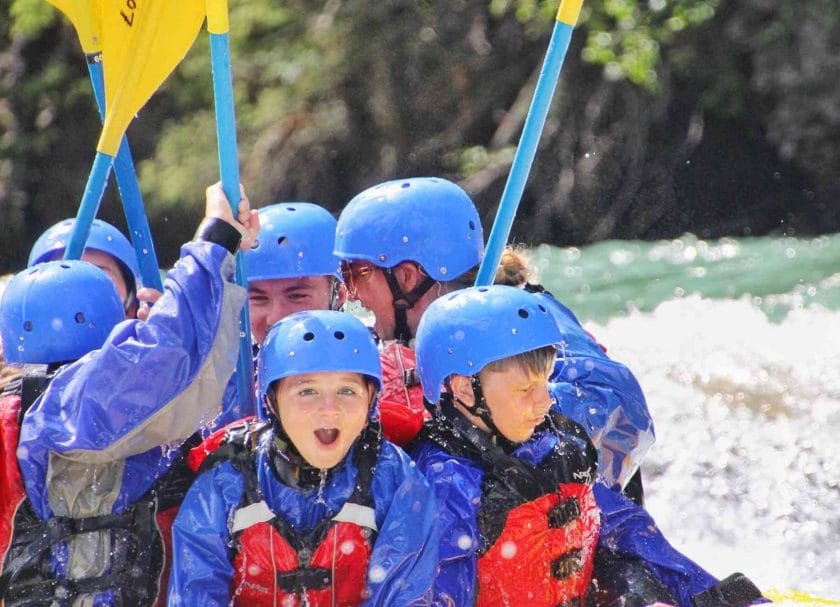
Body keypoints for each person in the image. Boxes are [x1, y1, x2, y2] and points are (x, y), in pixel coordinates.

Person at [413, 285, 766, 607]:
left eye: (546, 383)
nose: (545, 403)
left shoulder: (556, 448)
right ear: (462, 390)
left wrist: (702, 595)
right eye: (525, 390)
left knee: (629, 570)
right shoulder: (448, 487)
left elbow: (626, 531)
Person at [0, 183, 258, 606]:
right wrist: (215, 242)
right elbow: (166, 361)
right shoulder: (54, 408)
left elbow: (196, 381)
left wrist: (217, 275)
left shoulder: (38, 407)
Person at [334, 176, 653, 491]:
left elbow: (620, 407)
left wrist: (494, 405)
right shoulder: (381, 345)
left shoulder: (525, 315)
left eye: (356, 274)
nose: (351, 294)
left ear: (406, 277)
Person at [168, 310, 439, 606]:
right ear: (272, 401)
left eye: (347, 390)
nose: (329, 409)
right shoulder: (226, 482)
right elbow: (194, 592)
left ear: (371, 399)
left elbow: (406, 595)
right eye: (307, 391)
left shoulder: (394, 479)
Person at [28, 217, 148, 319]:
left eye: (99, 277)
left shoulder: (151, 343)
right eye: (62, 278)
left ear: (131, 309)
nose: (82, 290)